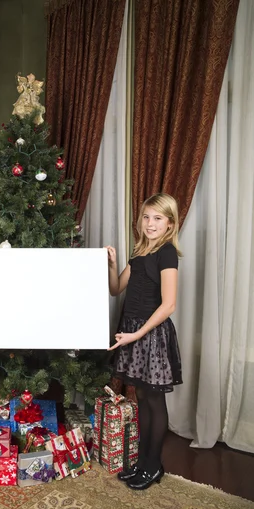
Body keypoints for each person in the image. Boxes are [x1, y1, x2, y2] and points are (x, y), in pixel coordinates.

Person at [106, 192, 182, 491]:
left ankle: (152, 466)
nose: (150, 223)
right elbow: (115, 289)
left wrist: (138, 334)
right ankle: (143, 463)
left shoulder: (167, 253)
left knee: (154, 400)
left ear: (170, 224)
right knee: (141, 400)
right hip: (133, 332)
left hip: (151, 335)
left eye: (158, 218)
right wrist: (112, 263)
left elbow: (169, 304)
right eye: (147, 217)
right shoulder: (138, 253)